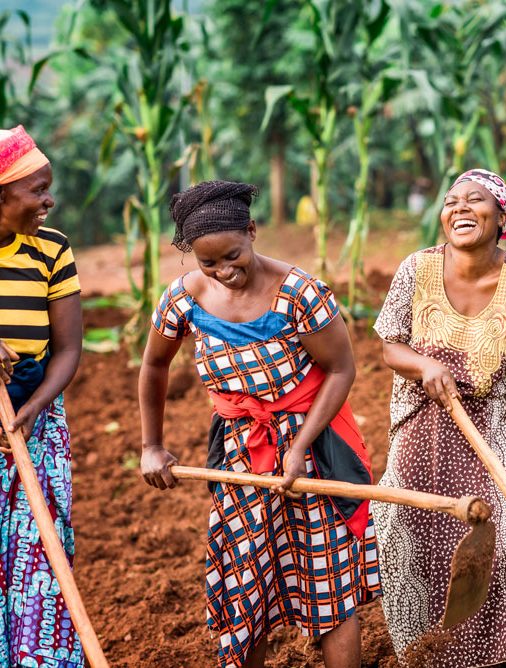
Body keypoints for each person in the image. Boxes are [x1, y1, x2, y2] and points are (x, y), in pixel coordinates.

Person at [138, 181, 380, 668]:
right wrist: (151, 445)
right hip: (240, 454)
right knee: (246, 585)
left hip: (313, 451)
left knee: (326, 577)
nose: (225, 272)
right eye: (209, 264)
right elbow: (154, 367)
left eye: (232, 255)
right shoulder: (182, 301)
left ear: (251, 231)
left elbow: (340, 370)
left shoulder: (301, 293)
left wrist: (298, 448)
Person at [372, 169, 506, 666]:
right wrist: (424, 364)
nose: (459, 207)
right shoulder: (416, 269)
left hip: (490, 428)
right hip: (421, 430)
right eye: (451, 200)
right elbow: (390, 346)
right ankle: (433, 656)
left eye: (474, 200)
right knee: (410, 543)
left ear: (501, 217)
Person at [0, 125, 84, 666]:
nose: (48, 199)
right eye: (36, 189)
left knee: (38, 563)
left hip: (33, 422)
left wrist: (30, 411)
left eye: (47, 186)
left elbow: (69, 351)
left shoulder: (52, 250)